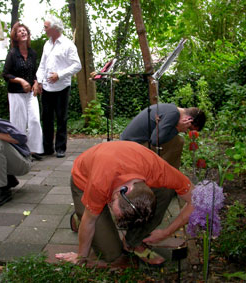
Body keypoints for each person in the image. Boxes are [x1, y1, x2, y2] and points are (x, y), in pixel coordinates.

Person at [55, 141, 194, 265]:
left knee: (165, 191)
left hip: (114, 173)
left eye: (111, 203)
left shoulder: (157, 170)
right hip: (84, 182)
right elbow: (90, 221)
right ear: (123, 190)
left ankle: (131, 243)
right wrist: (80, 257)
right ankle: (82, 213)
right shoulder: (100, 182)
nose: (109, 203)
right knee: (111, 255)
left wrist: (166, 232)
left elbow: (195, 200)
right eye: (111, 204)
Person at [34, 16, 82, 158]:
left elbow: (77, 65)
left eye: (46, 27)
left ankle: (60, 148)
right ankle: (47, 147)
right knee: (46, 118)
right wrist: (39, 82)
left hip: (62, 87)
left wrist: (59, 75)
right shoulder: (46, 44)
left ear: (55, 28)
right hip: (47, 87)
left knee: (61, 118)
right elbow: (42, 65)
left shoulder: (68, 44)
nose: (44, 29)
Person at [2, 22, 44, 161]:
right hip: (16, 94)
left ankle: (34, 150)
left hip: (31, 94)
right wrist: (20, 80)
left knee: (35, 120)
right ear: (15, 36)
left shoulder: (32, 53)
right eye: (19, 31)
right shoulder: (12, 53)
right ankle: (19, 151)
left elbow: (35, 72)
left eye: (24, 30)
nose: (23, 32)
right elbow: (6, 74)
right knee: (18, 122)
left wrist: (36, 83)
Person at [120, 103, 206, 170]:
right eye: (188, 128)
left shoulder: (171, 109)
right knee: (178, 142)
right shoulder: (173, 114)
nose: (185, 131)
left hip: (129, 141)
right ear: (188, 120)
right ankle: (165, 177)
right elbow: (155, 140)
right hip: (131, 146)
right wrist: (177, 129)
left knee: (176, 139)